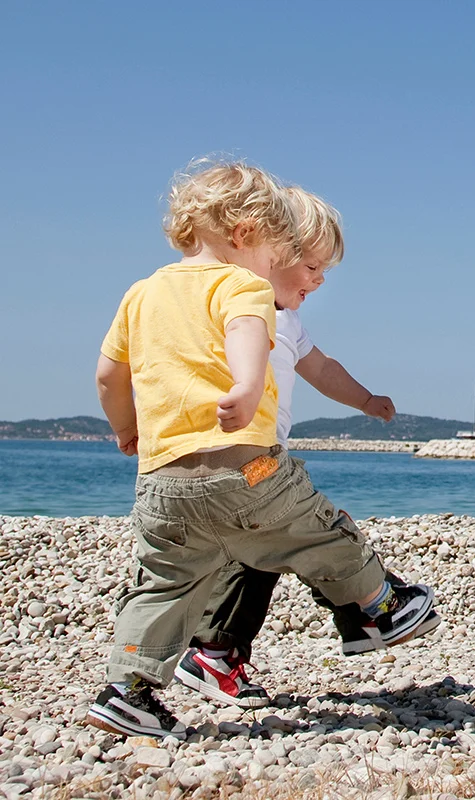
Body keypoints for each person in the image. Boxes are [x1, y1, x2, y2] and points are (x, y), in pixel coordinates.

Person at [86, 162, 435, 739]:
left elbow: (107, 375)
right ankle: (380, 605)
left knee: (166, 584)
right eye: (277, 253)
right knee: (320, 533)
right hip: (246, 468)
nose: (276, 266)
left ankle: (128, 690)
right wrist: (247, 387)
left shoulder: (140, 294)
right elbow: (246, 333)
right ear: (246, 233)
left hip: (162, 482)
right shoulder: (242, 286)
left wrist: (126, 427)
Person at [175, 187, 440, 709]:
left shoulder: (287, 321)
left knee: (267, 552)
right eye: (312, 267)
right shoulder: (237, 306)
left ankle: (218, 652)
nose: (319, 281)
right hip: (237, 459)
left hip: (260, 462)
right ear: (267, 253)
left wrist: (365, 400)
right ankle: (371, 608)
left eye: (324, 271)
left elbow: (321, 369)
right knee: (313, 532)